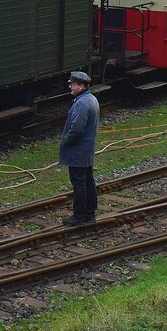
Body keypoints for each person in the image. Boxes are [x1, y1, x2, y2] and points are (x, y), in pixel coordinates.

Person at [58, 70, 99, 226]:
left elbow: (76, 128)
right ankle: (90, 214)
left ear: (81, 86)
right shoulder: (91, 99)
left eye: (72, 84)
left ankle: (79, 216)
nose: (70, 87)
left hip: (78, 151)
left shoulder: (81, 103)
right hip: (86, 150)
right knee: (88, 181)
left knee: (79, 183)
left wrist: (66, 141)